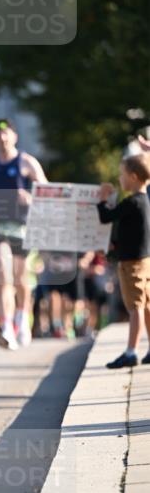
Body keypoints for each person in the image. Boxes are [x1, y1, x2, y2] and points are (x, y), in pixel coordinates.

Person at [0, 118, 47, 349]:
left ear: (14, 136)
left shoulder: (26, 162)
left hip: (22, 225)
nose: (2, 138)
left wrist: (30, 198)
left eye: (6, 134)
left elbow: (47, 191)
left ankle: (22, 318)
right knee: (3, 275)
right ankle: (7, 326)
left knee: (21, 279)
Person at [97, 153, 150, 368]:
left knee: (134, 307)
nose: (120, 179)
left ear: (134, 177)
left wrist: (102, 199)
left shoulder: (131, 202)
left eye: (122, 175)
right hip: (145, 260)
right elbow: (134, 232)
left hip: (131, 263)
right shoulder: (145, 201)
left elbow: (106, 217)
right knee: (146, 305)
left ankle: (131, 351)